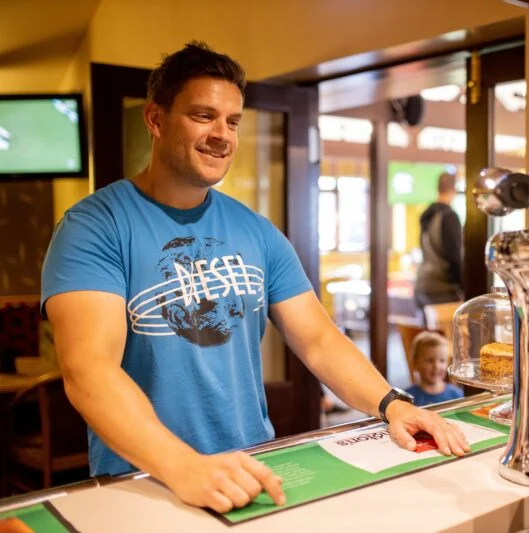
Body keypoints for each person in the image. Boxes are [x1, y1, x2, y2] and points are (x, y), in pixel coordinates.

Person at [40, 41, 469, 515]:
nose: (222, 134)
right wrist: (183, 466)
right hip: (143, 480)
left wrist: (392, 403)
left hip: (252, 469)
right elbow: (88, 371)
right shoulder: (94, 226)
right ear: (156, 120)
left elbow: (318, 339)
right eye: (203, 116)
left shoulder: (255, 230)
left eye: (233, 121)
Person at [414, 171, 463, 312]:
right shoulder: (448, 217)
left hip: (423, 284)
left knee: (431, 333)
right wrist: (463, 285)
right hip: (443, 288)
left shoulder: (427, 215)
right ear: (453, 190)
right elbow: (454, 256)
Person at [406, 331, 464, 406]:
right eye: (430, 360)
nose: (436, 366)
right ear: (415, 363)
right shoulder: (408, 398)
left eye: (442, 360)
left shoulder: (456, 395)